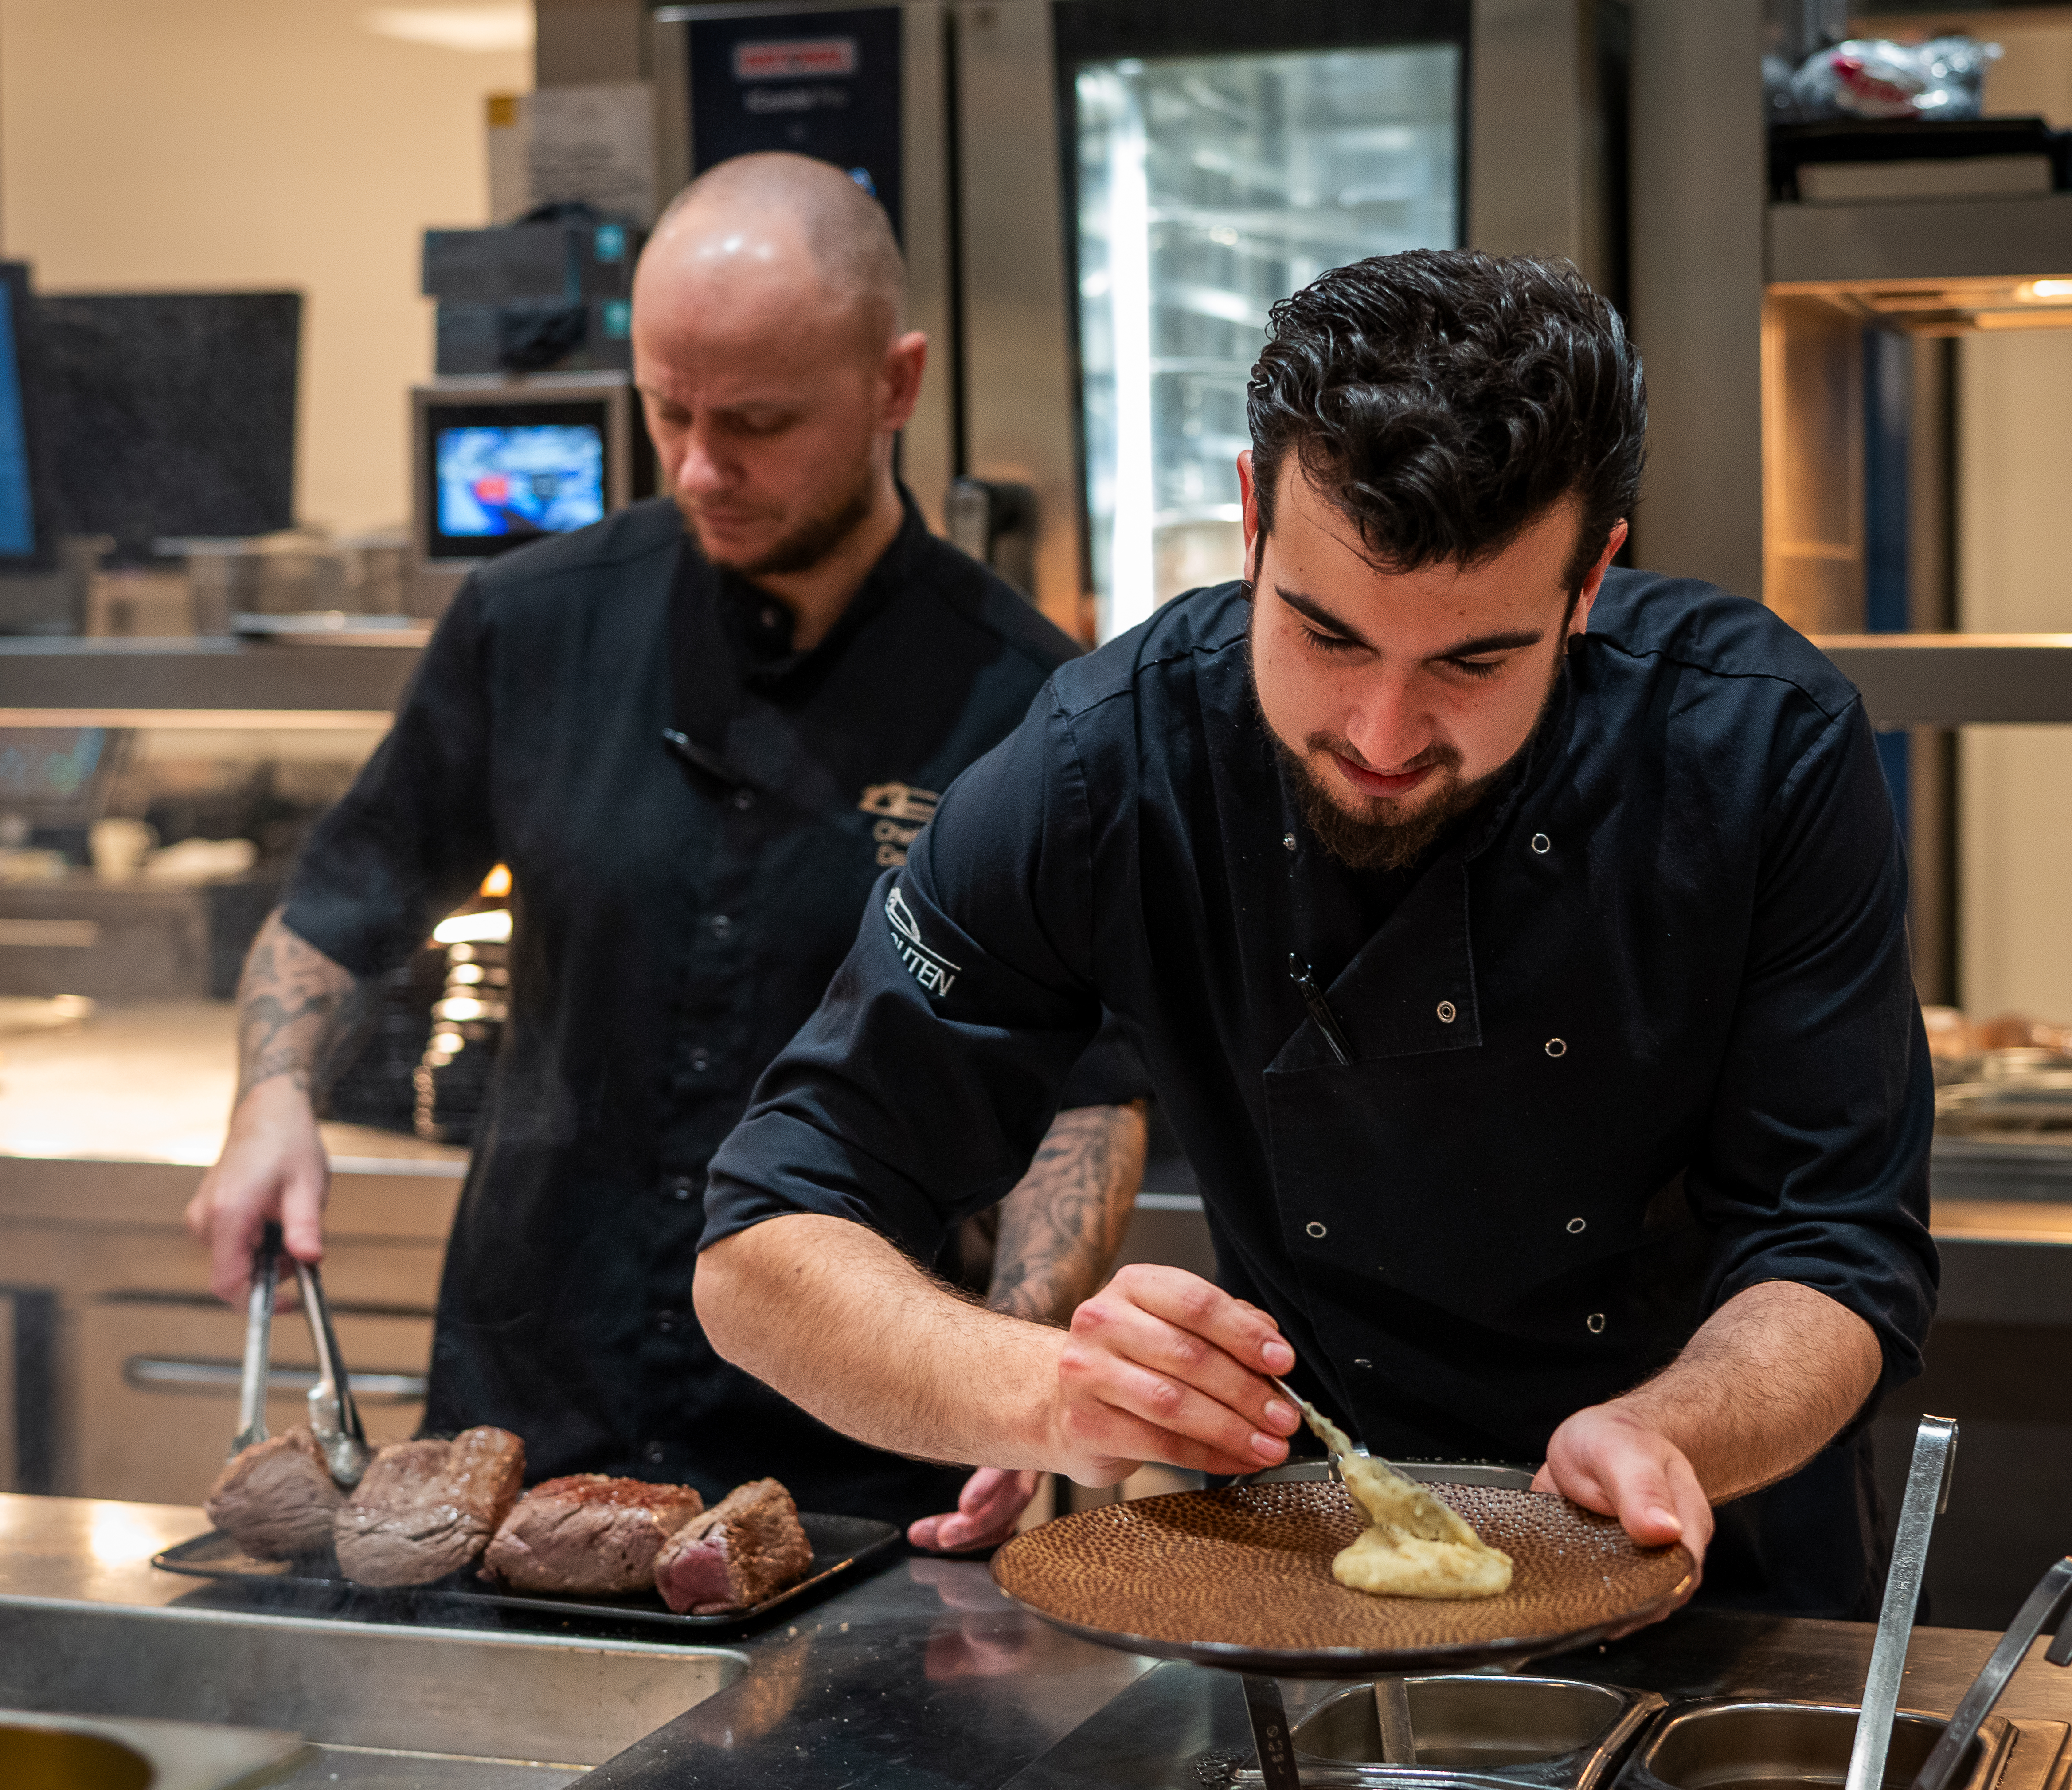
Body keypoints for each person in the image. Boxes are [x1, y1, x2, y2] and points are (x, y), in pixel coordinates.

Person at [691, 249, 1937, 1615]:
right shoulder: (1108, 764)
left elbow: (1834, 1245)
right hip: (1301, 1582)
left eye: (1472, 660)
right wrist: (1046, 1394)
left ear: (1588, 584)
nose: (1381, 734)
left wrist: (1669, 1428)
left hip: (1716, 1564)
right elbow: (762, 1243)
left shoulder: (1761, 749)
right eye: (1324, 634)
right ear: (1249, 520)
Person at [186, 151, 1149, 1548]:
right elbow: (340, 907)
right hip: (520, 1425)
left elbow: (1089, 1092)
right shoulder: (530, 623)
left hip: (851, 1464)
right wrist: (270, 1099)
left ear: (896, 383)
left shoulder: (1028, 704)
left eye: (755, 421)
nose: (701, 465)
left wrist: (1014, 1374)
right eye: (668, 410)